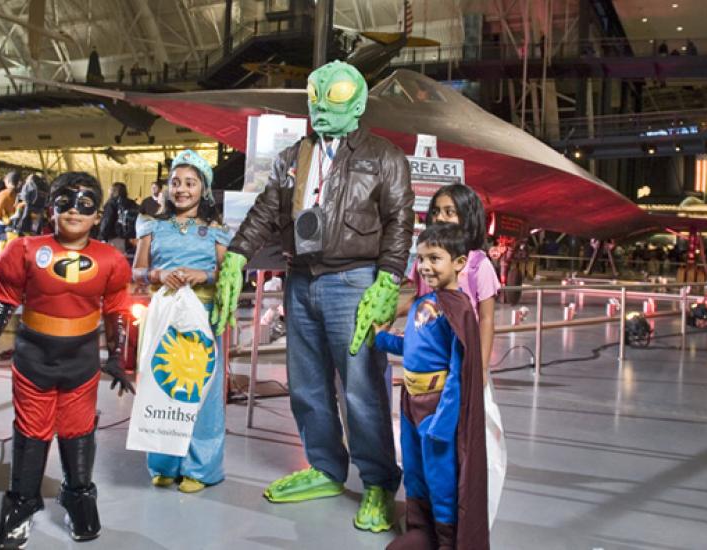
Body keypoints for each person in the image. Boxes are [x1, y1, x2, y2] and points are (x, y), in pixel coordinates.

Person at [212, 60, 413, 532]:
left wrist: (388, 279)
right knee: (307, 384)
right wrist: (238, 255)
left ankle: (379, 482)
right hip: (300, 279)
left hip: (354, 281)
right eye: (315, 94)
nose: (321, 105)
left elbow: (400, 220)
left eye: (335, 96)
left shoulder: (384, 156)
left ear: (359, 103)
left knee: (362, 387)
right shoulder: (292, 157)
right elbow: (266, 210)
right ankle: (325, 466)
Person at [0, 171, 135, 549]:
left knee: (79, 432)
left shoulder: (110, 259)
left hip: (80, 362)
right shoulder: (23, 250)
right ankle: (22, 503)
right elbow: (4, 300)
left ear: (98, 214)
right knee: (31, 433)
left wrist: (116, 356)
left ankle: (79, 497)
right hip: (33, 361)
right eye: (65, 201)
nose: (75, 210)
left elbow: (117, 309)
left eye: (86, 203)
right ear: (50, 209)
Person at [374, 223, 488, 550]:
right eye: (421, 258)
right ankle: (420, 531)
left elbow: (458, 370)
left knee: (441, 480)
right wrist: (382, 339)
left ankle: (447, 541)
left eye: (435, 258)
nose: (425, 266)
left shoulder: (459, 307)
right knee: (415, 471)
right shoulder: (424, 302)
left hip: (436, 408)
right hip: (411, 403)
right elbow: (413, 346)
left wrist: (444, 420)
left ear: (460, 262)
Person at [132, 149, 229, 493]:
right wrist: (159, 273)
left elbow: (226, 275)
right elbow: (137, 271)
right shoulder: (150, 225)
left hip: (201, 316)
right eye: (175, 182)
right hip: (163, 312)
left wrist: (200, 275)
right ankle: (163, 463)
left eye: (190, 183)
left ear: (203, 189)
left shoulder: (216, 231)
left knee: (200, 390)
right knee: (161, 386)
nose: (182, 189)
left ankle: (200, 468)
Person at [399, 185, 498, 381]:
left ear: (468, 217)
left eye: (449, 212)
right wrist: (387, 316)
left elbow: (486, 319)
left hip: (462, 360)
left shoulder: (479, 264)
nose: (440, 218)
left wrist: (482, 368)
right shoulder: (425, 260)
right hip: (427, 358)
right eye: (435, 212)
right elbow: (418, 299)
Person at [99, 182, 139, 258]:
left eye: (110, 189)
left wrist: (102, 237)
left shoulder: (112, 203)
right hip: (130, 239)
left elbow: (107, 221)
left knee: (113, 262)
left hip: (115, 238)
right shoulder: (132, 203)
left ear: (113, 191)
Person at [0, 171, 22, 254]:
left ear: (8, 181)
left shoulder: (5, 194)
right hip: (23, 233)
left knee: (3, 258)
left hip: (11, 233)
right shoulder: (21, 194)